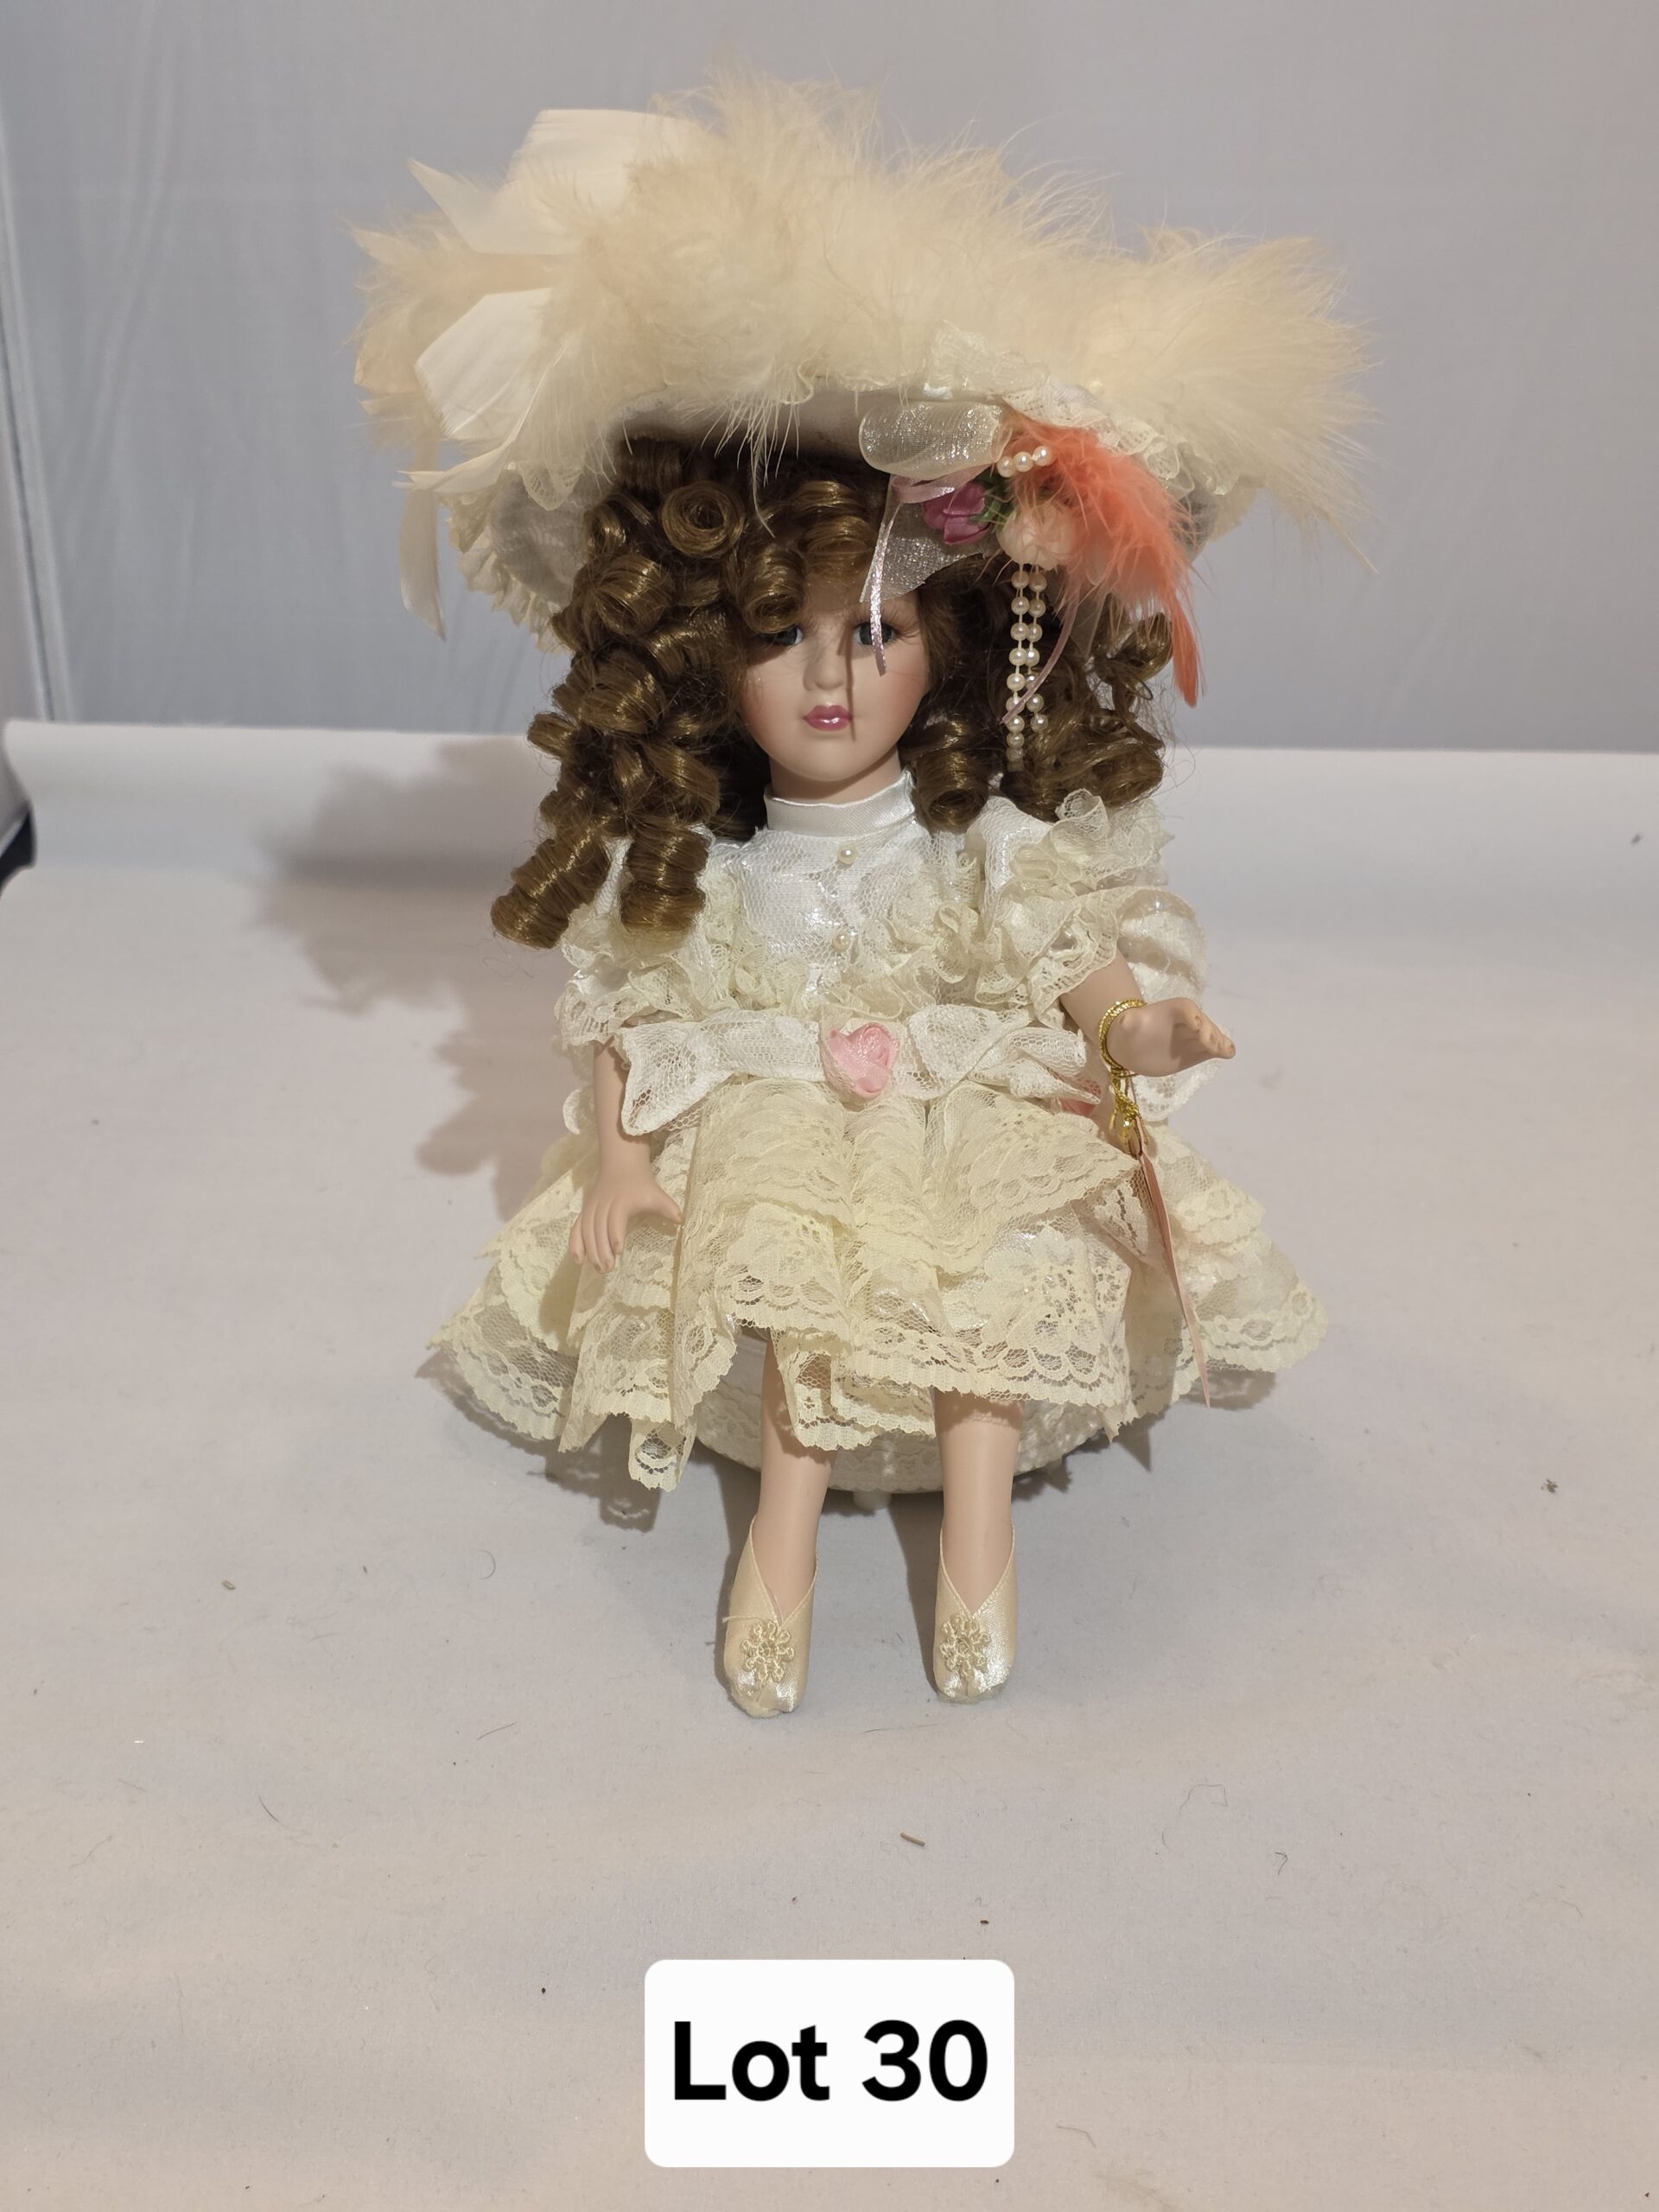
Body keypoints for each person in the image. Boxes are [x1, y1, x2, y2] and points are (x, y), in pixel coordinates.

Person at [352, 75, 1370, 1715]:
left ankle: (980, 1549)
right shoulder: (715, 866)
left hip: (957, 1102)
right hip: (778, 1111)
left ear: (942, 652)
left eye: (878, 634)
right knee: (792, 1280)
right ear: (702, 653)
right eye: (784, 635)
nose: (832, 680)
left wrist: (1141, 1030)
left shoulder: (977, 845)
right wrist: (623, 1154)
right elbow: (641, 1008)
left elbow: (1060, 953)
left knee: (997, 1271)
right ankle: (784, 1552)